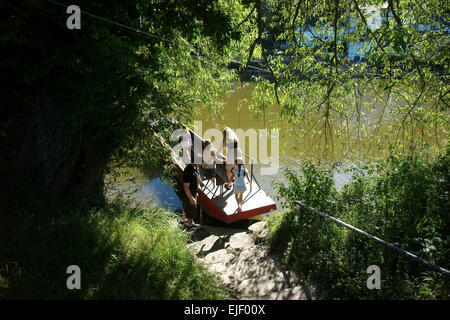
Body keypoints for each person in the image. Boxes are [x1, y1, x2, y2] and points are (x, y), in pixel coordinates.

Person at [181, 152, 204, 228]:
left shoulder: (195, 167)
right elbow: (186, 186)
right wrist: (191, 198)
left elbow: (197, 174)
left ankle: (183, 220)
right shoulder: (188, 170)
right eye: (200, 162)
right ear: (194, 162)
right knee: (191, 209)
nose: (201, 164)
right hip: (188, 193)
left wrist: (200, 182)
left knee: (187, 207)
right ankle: (189, 224)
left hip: (193, 192)